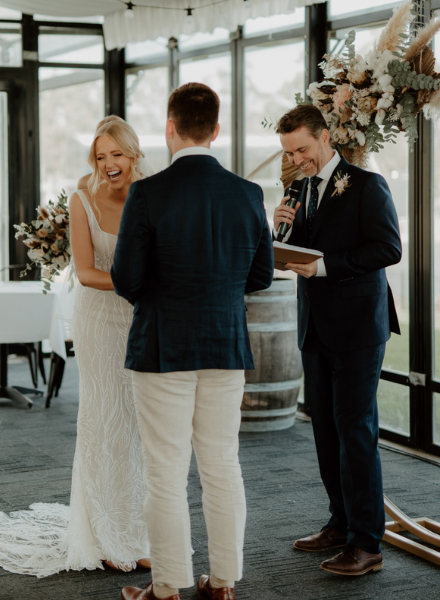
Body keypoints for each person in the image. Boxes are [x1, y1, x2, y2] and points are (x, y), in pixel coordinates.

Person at [0, 115, 151, 576]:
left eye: (117, 154)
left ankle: (139, 533)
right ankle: (104, 535)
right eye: (101, 157)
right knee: (104, 422)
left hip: (144, 322)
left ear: (134, 153)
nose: (109, 164)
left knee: (140, 426)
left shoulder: (153, 192)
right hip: (100, 320)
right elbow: (85, 272)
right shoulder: (83, 196)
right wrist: (144, 286)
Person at [111, 82, 274, 600]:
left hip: (163, 347)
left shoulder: (149, 192)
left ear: (170, 127)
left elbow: (126, 280)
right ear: (216, 130)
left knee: (166, 471)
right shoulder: (248, 193)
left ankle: (168, 588)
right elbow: (262, 275)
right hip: (225, 345)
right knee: (222, 464)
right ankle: (222, 584)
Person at [273, 104, 401, 576]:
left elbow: (389, 248)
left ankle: (367, 543)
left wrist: (325, 266)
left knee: (356, 432)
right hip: (315, 326)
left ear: (325, 137)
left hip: (358, 329)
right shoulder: (297, 188)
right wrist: (279, 229)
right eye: (289, 152)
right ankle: (340, 522)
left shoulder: (368, 185)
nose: (297, 159)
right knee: (325, 429)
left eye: (302, 149)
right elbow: (295, 252)